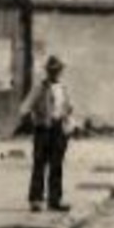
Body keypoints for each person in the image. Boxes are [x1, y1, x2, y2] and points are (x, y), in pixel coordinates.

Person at [21, 55, 74, 212]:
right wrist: (34, 119)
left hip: (59, 129)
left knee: (56, 166)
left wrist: (68, 115)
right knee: (39, 164)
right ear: (47, 71)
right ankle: (36, 199)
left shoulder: (63, 88)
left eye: (58, 70)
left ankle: (55, 200)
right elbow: (25, 107)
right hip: (43, 129)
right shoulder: (40, 87)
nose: (55, 73)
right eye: (52, 70)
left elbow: (68, 106)